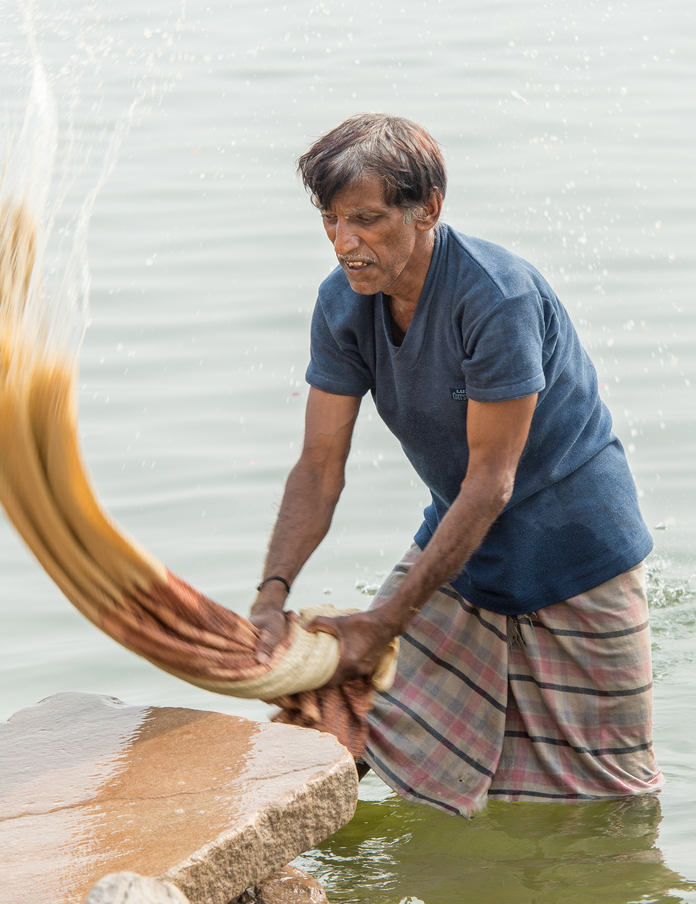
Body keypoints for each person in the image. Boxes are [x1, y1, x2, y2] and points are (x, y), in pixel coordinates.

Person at [248, 113, 662, 817]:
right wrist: (270, 593)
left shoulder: (497, 300)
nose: (346, 244)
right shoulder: (343, 303)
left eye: (368, 220)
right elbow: (319, 467)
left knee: (606, 804)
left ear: (428, 209)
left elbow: (490, 483)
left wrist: (384, 623)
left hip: (576, 555)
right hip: (463, 543)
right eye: (331, 220)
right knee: (330, 696)